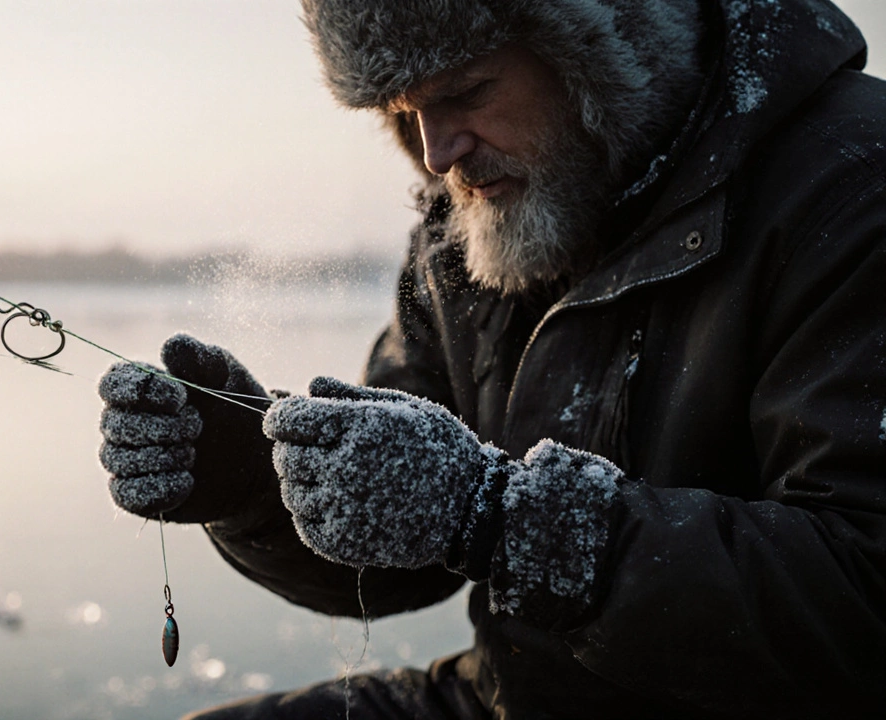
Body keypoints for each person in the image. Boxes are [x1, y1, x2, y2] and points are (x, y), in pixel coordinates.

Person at [97, 0, 886, 716]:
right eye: (404, 112)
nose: (439, 154)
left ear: (607, 54)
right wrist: (251, 479)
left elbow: (862, 598)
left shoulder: (853, 183)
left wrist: (503, 521)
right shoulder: (470, 229)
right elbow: (406, 544)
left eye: (468, 91)